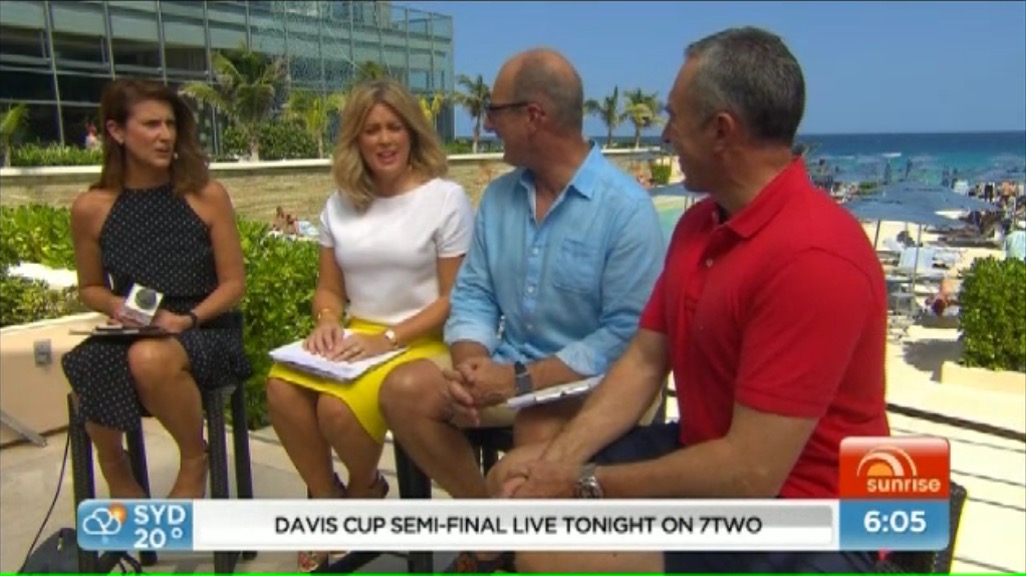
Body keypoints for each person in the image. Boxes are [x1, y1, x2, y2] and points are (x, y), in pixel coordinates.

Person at [488, 27, 890, 574]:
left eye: (674, 118)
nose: (665, 135)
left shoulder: (815, 257)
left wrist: (584, 483)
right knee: (511, 476)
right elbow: (643, 361)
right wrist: (555, 465)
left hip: (813, 515)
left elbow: (751, 474)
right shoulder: (699, 226)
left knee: (548, 554)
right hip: (707, 456)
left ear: (721, 130)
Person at [378, 48, 665, 573]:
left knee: (534, 431)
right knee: (403, 389)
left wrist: (517, 380)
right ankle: (490, 529)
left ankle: (505, 547)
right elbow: (473, 295)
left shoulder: (625, 210)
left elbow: (624, 339)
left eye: (495, 111)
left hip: (595, 385)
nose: (487, 124)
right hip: (508, 370)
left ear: (534, 116)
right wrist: (470, 367)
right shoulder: (499, 199)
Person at [262, 78, 475, 573]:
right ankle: (329, 501)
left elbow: (454, 298)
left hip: (422, 339)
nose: (384, 139)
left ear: (412, 132)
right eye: (371, 129)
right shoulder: (339, 204)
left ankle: (364, 490)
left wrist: (388, 339)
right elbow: (329, 289)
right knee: (280, 389)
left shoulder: (445, 199)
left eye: (394, 127)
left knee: (336, 409)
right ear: (355, 139)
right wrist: (327, 321)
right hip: (359, 335)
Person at [61, 79, 251, 500]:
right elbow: (90, 288)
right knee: (88, 362)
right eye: (151, 125)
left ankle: (195, 457)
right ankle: (115, 466)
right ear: (116, 131)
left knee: (148, 358)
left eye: (170, 124)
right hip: (138, 322)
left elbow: (234, 284)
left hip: (205, 327)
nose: (165, 135)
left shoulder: (207, 196)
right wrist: (120, 307)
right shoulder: (91, 208)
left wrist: (185, 320)